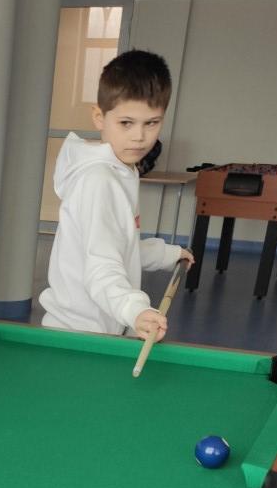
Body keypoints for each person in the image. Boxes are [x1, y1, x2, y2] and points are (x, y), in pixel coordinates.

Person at [38, 49, 194, 342]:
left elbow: (121, 244)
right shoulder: (99, 181)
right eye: (126, 123)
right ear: (99, 117)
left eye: (151, 123)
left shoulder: (123, 169)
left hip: (98, 330)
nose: (139, 136)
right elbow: (102, 266)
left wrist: (167, 254)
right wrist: (135, 310)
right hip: (78, 337)